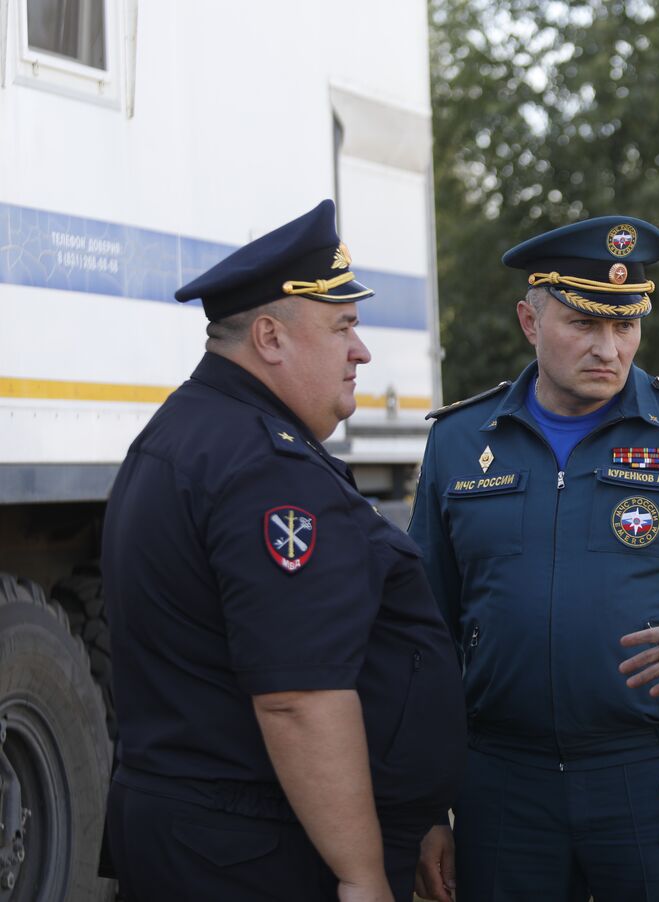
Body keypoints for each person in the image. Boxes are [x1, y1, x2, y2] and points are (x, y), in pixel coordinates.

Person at [101, 199, 467, 902]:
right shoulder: (266, 467)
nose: (361, 351)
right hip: (256, 853)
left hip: (203, 836)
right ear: (270, 337)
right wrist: (362, 874)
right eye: (342, 326)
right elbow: (298, 698)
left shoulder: (187, 432)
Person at [408, 215, 659, 902]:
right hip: (501, 782)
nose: (608, 348)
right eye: (583, 323)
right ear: (529, 322)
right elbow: (423, 635)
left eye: (625, 325)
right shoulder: (459, 442)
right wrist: (422, 806)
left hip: (655, 777)